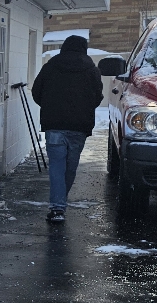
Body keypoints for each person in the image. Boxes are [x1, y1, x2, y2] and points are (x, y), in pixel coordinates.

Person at [31, 34, 103, 223]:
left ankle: (57, 207)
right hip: (79, 127)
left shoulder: (50, 67)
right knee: (70, 167)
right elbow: (98, 97)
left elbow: (36, 92)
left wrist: (49, 106)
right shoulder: (91, 70)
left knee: (56, 166)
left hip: (54, 125)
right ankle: (59, 204)